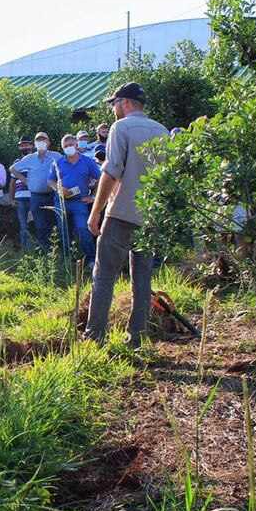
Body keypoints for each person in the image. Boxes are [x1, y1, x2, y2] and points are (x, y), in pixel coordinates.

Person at [84, 82, 169, 349]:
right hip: (150, 218)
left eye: (114, 103)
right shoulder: (162, 131)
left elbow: (111, 172)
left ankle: (94, 337)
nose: (113, 109)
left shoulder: (121, 128)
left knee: (104, 276)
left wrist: (96, 211)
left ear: (126, 103)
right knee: (142, 280)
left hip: (120, 213)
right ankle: (137, 338)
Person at [48, 134, 101, 268]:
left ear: (76, 145)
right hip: (61, 201)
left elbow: (100, 178)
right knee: (63, 230)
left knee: (83, 229)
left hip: (79, 201)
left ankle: (90, 258)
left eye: (70, 145)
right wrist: (59, 188)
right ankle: (69, 257)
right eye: (65, 146)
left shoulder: (87, 161)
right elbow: (50, 180)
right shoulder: (58, 162)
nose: (68, 148)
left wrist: (93, 196)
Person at [11, 133, 61, 251]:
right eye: (38, 139)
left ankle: (53, 251)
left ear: (48, 142)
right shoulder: (29, 158)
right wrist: (25, 180)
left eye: (44, 139)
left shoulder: (56, 156)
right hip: (35, 197)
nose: (41, 141)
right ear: (35, 143)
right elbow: (12, 169)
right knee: (39, 225)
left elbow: (65, 168)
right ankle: (43, 252)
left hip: (51, 195)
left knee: (52, 224)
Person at [9, 136, 34, 249]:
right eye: (22, 145)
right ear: (19, 147)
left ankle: (34, 249)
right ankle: (25, 251)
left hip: (35, 197)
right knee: (23, 225)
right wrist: (11, 199)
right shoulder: (16, 163)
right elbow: (12, 182)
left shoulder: (36, 159)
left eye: (27, 145)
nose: (25, 147)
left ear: (31, 146)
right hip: (20, 199)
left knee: (35, 224)